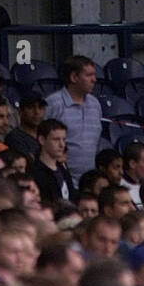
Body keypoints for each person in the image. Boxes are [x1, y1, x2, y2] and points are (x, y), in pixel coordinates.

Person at [44, 56, 103, 188]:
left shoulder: (95, 104)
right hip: (61, 181)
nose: (94, 80)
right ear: (74, 77)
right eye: (89, 75)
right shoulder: (53, 103)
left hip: (89, 183)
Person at [30, 119, 74, 205]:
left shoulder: (63, 169)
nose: (62, 145)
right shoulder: (34, 172)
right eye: (56, 139)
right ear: (42, 140)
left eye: (64, 139)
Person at [4, 92, 45, 161]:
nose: (37, 112)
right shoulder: (14, 138)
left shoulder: (46, 134)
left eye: (40, 107)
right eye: (31, 107)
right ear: (20, 112)